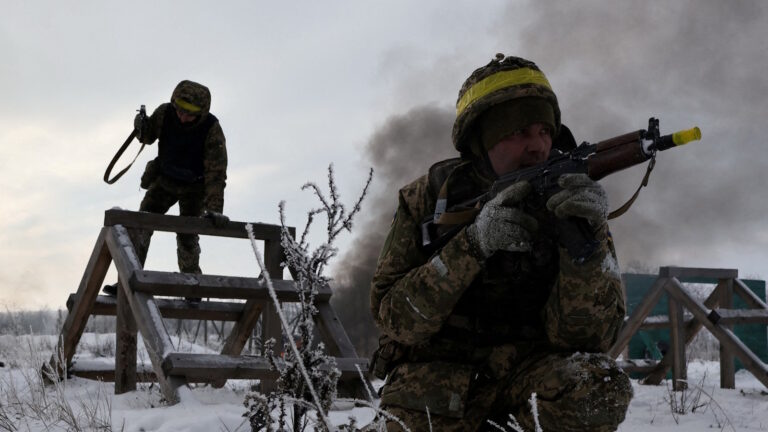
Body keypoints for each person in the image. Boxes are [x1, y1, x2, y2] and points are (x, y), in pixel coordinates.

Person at [369, 54, 632, 431]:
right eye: (518, 132)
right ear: (481, 138)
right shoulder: (427, 200)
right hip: (437, 378)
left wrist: (587, 249)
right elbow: (395, 320)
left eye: (545, 131)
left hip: (528, 372)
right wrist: (472, 246)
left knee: (598, 388)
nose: (538, 147)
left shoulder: (571, 200)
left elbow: (590, 340)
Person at [103, 80, 229, 302]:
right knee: (141, 224)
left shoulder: (212, 129)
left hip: (195, 187)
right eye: (179, 110)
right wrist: (141, 126)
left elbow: (216, 173)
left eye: (189, 114)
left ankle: (191, 285)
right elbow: (148, 136)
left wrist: (214, 208)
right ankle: (128, 277)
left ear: (201, 112)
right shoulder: (165, 113)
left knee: (188, 233)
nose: (182, 117)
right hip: (165, 179)